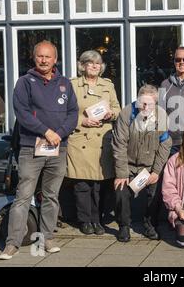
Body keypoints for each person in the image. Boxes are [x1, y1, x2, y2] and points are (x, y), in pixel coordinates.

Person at [0, 40, 78, 260]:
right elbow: (21, 113)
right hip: (30, 148)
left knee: (51, 196)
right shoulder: (24, 82)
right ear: (34, 58)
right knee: (23, 196)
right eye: (40, 56)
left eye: (48, 57)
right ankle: (12, 243)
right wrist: (46, 131)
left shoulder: (65, 83)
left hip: (58, 148)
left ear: (55, 59)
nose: (43, 60)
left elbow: (73, 113)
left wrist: (59, 134)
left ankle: (47, 238)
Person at [66, 50, 121, 235]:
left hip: (101, 141)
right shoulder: (72, 85)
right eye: (90, 63)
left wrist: (110, 114)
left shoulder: (107, 85)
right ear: (82, 66)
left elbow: (117, 109)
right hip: (80, 138)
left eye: (98, 63)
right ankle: (84, 221)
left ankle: (97, 220)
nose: (95, 66)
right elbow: (64, 115)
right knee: (82, 185)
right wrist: (83, 121)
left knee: (99, 185)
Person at [112, 84, 172, 242]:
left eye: (150, 104)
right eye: (142, 103)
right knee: (120, 189)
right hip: (128, 164)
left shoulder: (162, 116)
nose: (145, 107)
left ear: (156, 103)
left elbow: (165, 145)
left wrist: (156, 171)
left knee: (155, 190)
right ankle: (124, 226)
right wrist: (121, 173)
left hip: (149, 166)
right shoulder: (126, 113)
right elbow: (119, 144)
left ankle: (150, 224)